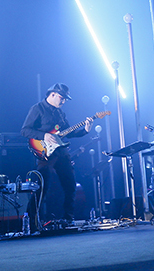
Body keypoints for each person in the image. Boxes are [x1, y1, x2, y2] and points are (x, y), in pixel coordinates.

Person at [21, 83, 93, 226]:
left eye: (65, 99)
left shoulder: (60, 113)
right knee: (42, 187)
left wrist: (85, 130)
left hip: (61, 151)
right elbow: (25, 131)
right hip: (45, 152)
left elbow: (69, 132)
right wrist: (44, 135)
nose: (64, 101)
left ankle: (68, 219)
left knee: (70, 185)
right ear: (52, 94)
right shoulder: (37, 109)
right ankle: (32, 221)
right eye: (62, 97)